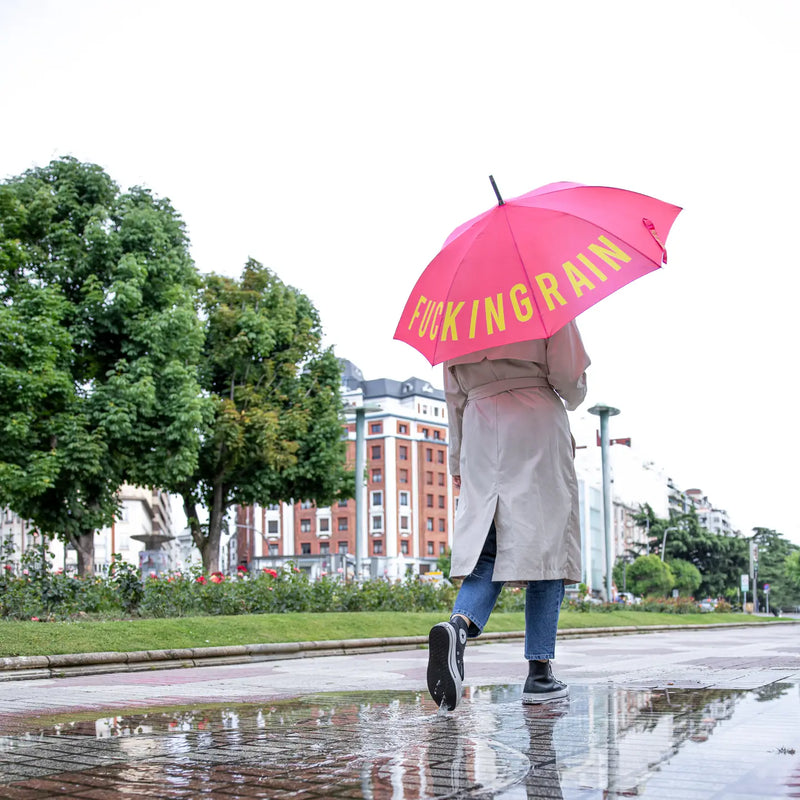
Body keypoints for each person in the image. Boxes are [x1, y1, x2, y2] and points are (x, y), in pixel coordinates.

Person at [426, 320, 590, 711]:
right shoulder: (543, 300)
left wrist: (457, 462)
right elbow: (569, 382)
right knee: (547, 551)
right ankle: (539, 674)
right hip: (535, 424)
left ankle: (458, 626)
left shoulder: (456, 314)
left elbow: (454, 397)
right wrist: (579, 385)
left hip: (479, 430)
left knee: (488, 548)